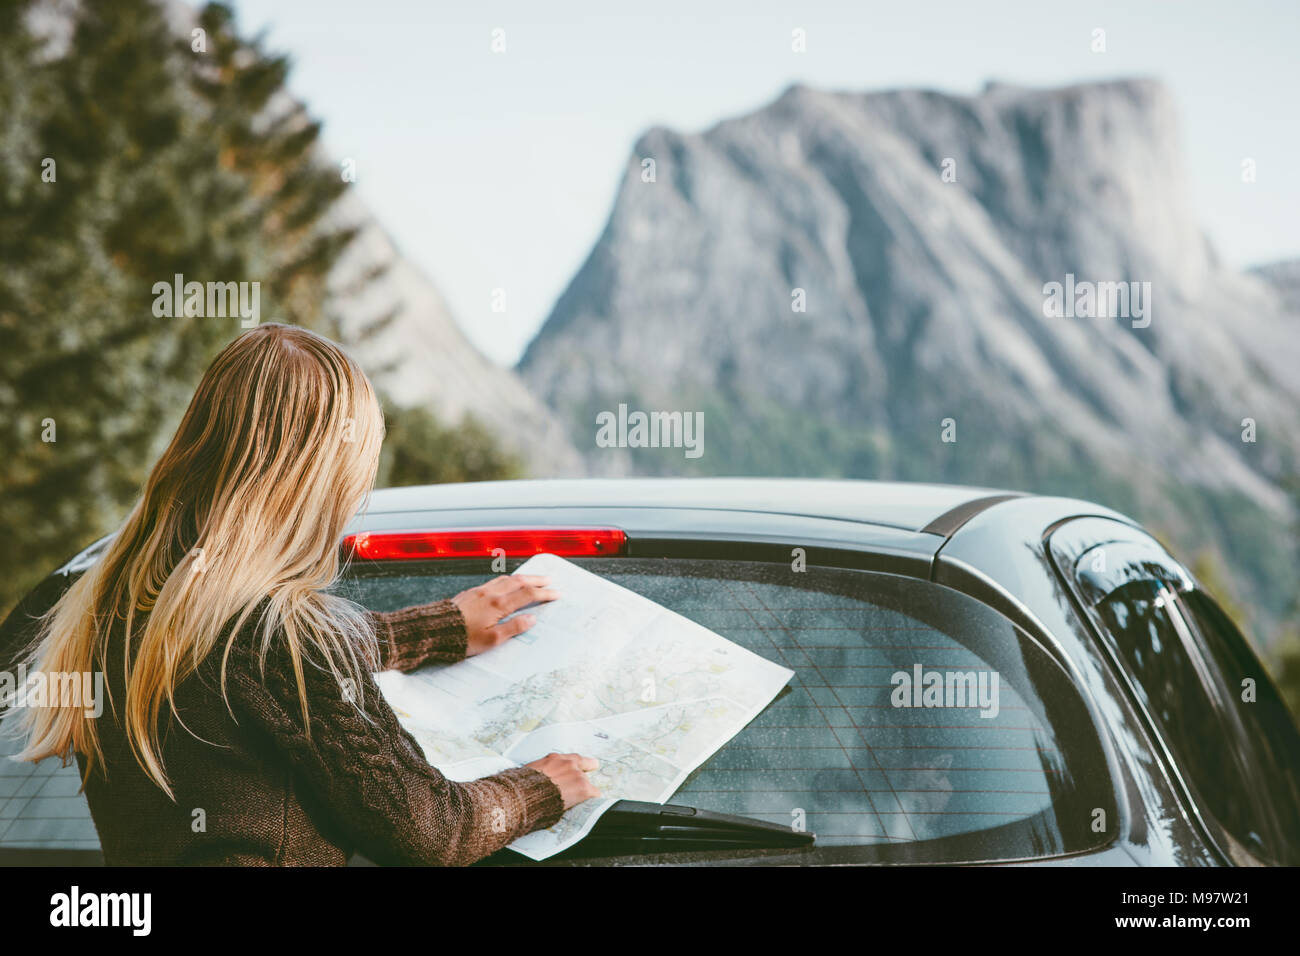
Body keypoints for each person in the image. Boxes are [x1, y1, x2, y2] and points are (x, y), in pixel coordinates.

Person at [10, 323, 600, 865]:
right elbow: (431, 830)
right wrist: (540, 788)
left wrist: (440, 628)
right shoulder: (286, 641)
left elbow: (249, 663)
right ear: (325, 478)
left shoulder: (105, 604)